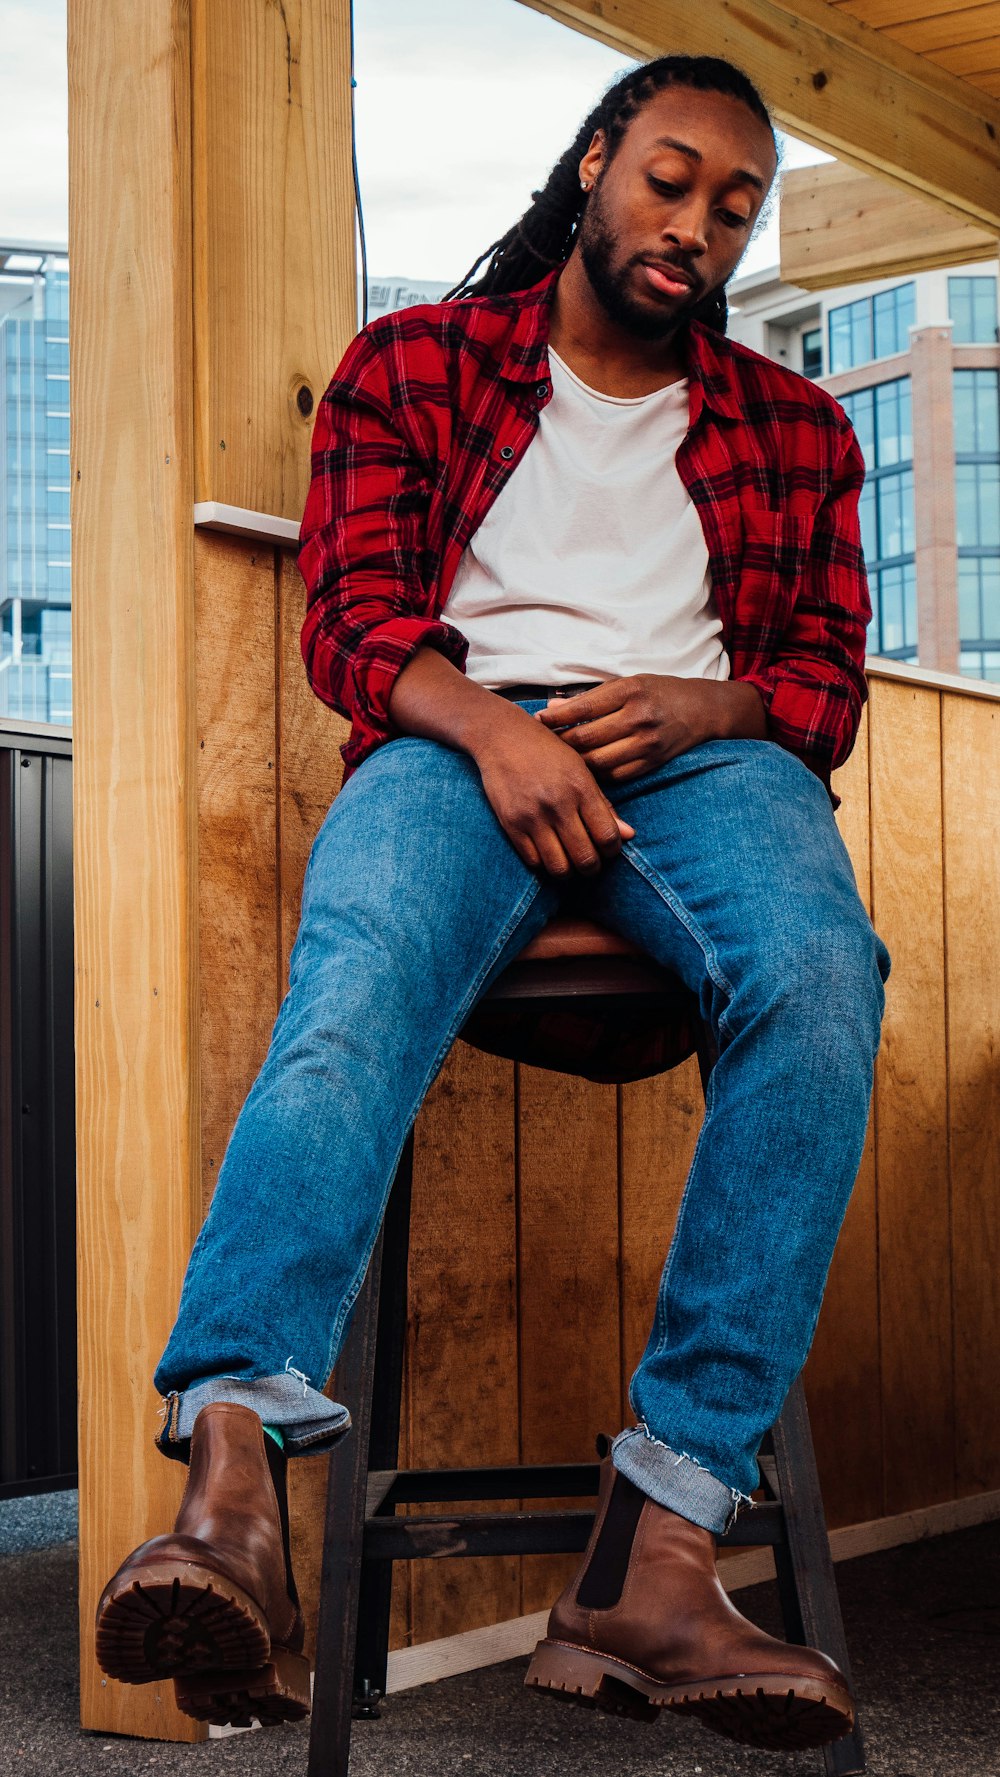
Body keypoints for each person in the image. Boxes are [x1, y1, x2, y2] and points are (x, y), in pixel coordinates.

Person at [94, 53, 890, 1752]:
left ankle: (661, 1542)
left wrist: (713, 706)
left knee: (825, 975)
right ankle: (233, 1486)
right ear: (599, 161)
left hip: (705, 766)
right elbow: (356, 627)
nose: (698, 224)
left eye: (735, 205)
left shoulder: (796, 432)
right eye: (671, 178)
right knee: (362, 967)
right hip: (461, 741)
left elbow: (821, 680)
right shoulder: (419, 366)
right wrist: (495, 730)